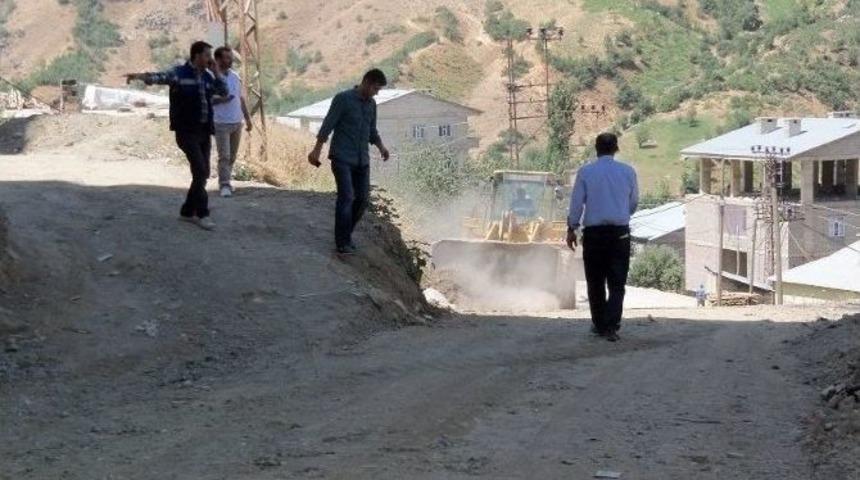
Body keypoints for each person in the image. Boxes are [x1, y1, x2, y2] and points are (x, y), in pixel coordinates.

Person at [126, 41, 228, 231]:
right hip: (186, 131)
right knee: (200, 170)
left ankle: (187, 211)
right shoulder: (179, 74)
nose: (210, 59)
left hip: (204, 131)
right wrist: (139, 76)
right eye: (207, 55)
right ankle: (202, 213)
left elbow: (224, 91)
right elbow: (159, 77)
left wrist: (216, 73)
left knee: (203, 173)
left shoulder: (208, 77)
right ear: (196, 56)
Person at [307, 69, 390, 255]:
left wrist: (381, 147)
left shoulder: (372, 105)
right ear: (367, 82)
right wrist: (317, 150)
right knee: (347, 197)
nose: (377, 92)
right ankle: (342, 242)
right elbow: (328, 125)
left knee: (361, 200)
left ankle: (346, 235)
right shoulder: (343, 99)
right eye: (376, 88)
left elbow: (372, 131)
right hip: (342, 157)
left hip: (362, 160)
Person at [566, 133, 639, 342]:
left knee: (595, 281)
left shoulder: (586, 172)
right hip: (620, 234)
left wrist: (572, 228)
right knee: (617, 283)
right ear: (616, 149)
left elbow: (577, 203)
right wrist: (619, 211)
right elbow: (633, 203)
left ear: (596, 149)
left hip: (594, 235)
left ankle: (599, 324)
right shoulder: (628, 172)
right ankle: (611, 325)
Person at [212, 46, 253, 198]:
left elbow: (241, 98)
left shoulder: (235, 76)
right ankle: (224, 185)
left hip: (237, 122)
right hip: (220, 123)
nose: (230, 61)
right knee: (225, 156)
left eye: (231, 58)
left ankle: (226, 180)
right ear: (218, 59)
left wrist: (248, 118)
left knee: (233, 156)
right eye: (226, 58)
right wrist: (221, 99)